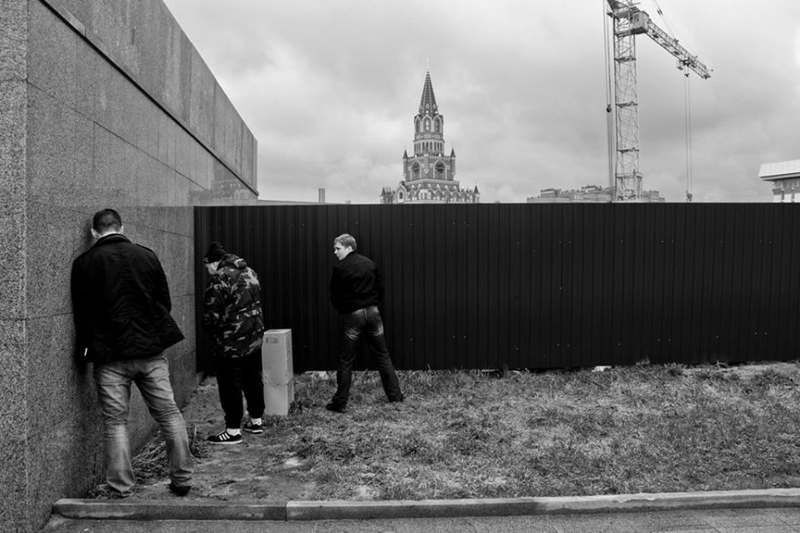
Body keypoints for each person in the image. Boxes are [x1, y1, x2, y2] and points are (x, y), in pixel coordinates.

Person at [71, 208, 192, 497]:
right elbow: (164, 302)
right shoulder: (146, 256)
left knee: (116, 423)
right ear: (122, 227)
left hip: (109, 356)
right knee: (169, 414)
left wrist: (84, 353)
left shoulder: (84, 263)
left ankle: (121, 487)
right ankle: (182, 479)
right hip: (150, 352)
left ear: (94, 232)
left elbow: (82, 314)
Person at [327, 233, 403, 412]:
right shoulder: (370, 264)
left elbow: (334, 295)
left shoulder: (340, 268)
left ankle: (339, 403)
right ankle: (395, 396)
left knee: (346, 360)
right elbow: (380, 289)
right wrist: (374, 305)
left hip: (353, 315)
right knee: (382, 355)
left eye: (338, 248)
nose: (335, 252)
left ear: (349, 248)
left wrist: (344, 310)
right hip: (373, 312)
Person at [202, 241, 266, 444]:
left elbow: (212, 315)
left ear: (214, 262)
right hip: (253, 337)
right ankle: (256, 421)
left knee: (230, 385)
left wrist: (212, 335)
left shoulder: (220, 278)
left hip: (230, 342)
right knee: (252, 379)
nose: (208, 270)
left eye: (207, 266)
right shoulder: (250, 272)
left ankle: (232, 431)